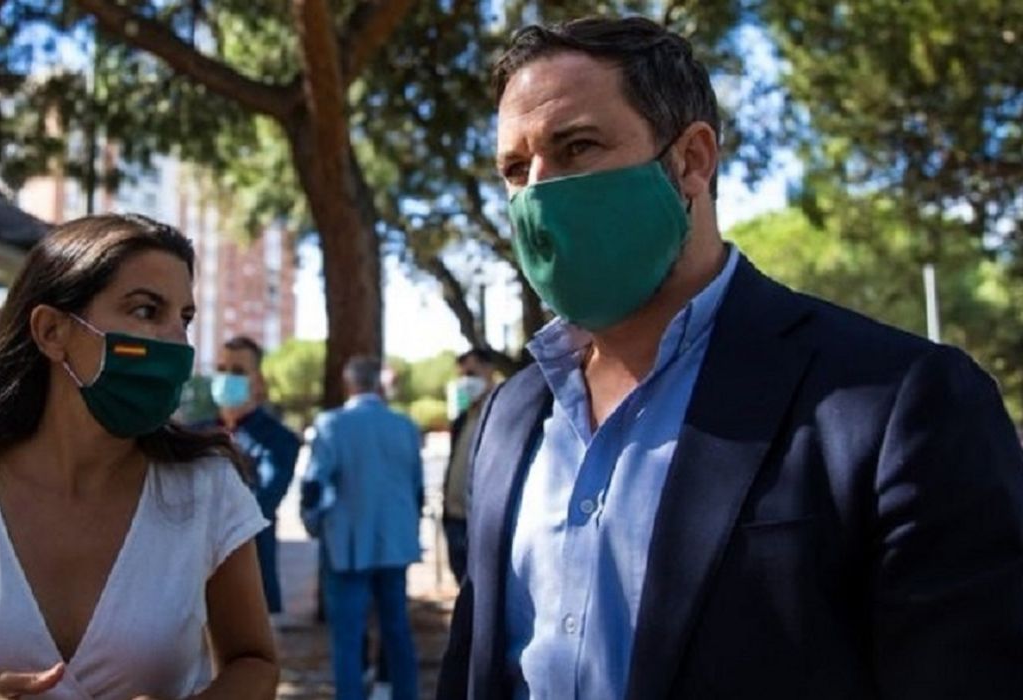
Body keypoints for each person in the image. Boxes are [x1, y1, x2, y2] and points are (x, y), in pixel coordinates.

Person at [438, 16, 1023, 700]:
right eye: (516, 169)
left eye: (577, 147)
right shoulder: (507, 418)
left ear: (692, 160)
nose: (538, 193)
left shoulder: (899, 403)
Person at [0, 214, 278, 700]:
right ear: (51, 331)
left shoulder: (207, 491)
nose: (176, 342)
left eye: (183, 319)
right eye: (146, 311)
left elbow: (254, 662)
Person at [301, 356, 423, 700]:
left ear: (348, 383)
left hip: (348, 544)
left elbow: (314, 484)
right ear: (378, 384)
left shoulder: (331, 424)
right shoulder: (405, 426)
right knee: (397, 629)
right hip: (395, 543)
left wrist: (313, 523)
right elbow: (417, 487)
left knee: (347, 637)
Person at [211, 335, 302, 615]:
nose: (227, 378)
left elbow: (261, 505)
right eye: (221, 369)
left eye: (238, 371)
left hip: (250, 580)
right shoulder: (194, 434)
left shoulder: (280, 441)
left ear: (258, 381)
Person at [441, 348, 497, 583]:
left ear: (489, 370)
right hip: (455, 519)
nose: (466, 381)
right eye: (462, 375)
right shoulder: (462, 418)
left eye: (471, 374)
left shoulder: (503, 412)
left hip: (484, 522)